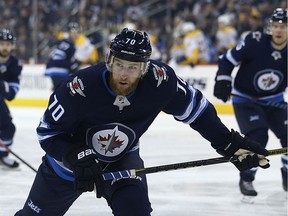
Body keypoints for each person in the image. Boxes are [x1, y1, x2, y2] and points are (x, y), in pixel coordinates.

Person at [15, 28, 270, 216]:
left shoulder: (161, 82)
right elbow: (47, 133)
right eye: (120, 65)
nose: (124, 75)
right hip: (66, 167)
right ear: (109, 61)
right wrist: (73, 155)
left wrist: (229, 144)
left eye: (133, 67)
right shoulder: (79, 88)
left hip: (121, 161)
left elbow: (199, 112)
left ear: (145, 67)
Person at [213, 8, 287, 197]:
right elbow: (226, 59)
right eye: (276, 26)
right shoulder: (254, 41)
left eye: (284, 26)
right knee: (258, 137)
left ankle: (287, 173)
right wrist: (223, 79)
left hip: (274, 100)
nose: (279, 30)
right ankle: (247, 177)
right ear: (271, 27)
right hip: (246, 100)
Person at [0, 29, 22, 168]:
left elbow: (12, 93)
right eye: (2, 43)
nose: (5, 47)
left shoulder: (14, 64)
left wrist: (3, 86)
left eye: (8, 44)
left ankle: (2, 154)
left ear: (13, 46)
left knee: (8, 128)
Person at [44, 22, 81, 90]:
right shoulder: (71, 45)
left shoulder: (63, 41)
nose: (75, 34)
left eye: (76, 32)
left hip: (52, 67)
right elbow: (71, 64)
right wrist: (77, 67)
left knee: (59, 91)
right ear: (69, 33)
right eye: (73, 32)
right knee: (64, 92)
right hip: (59, 69)